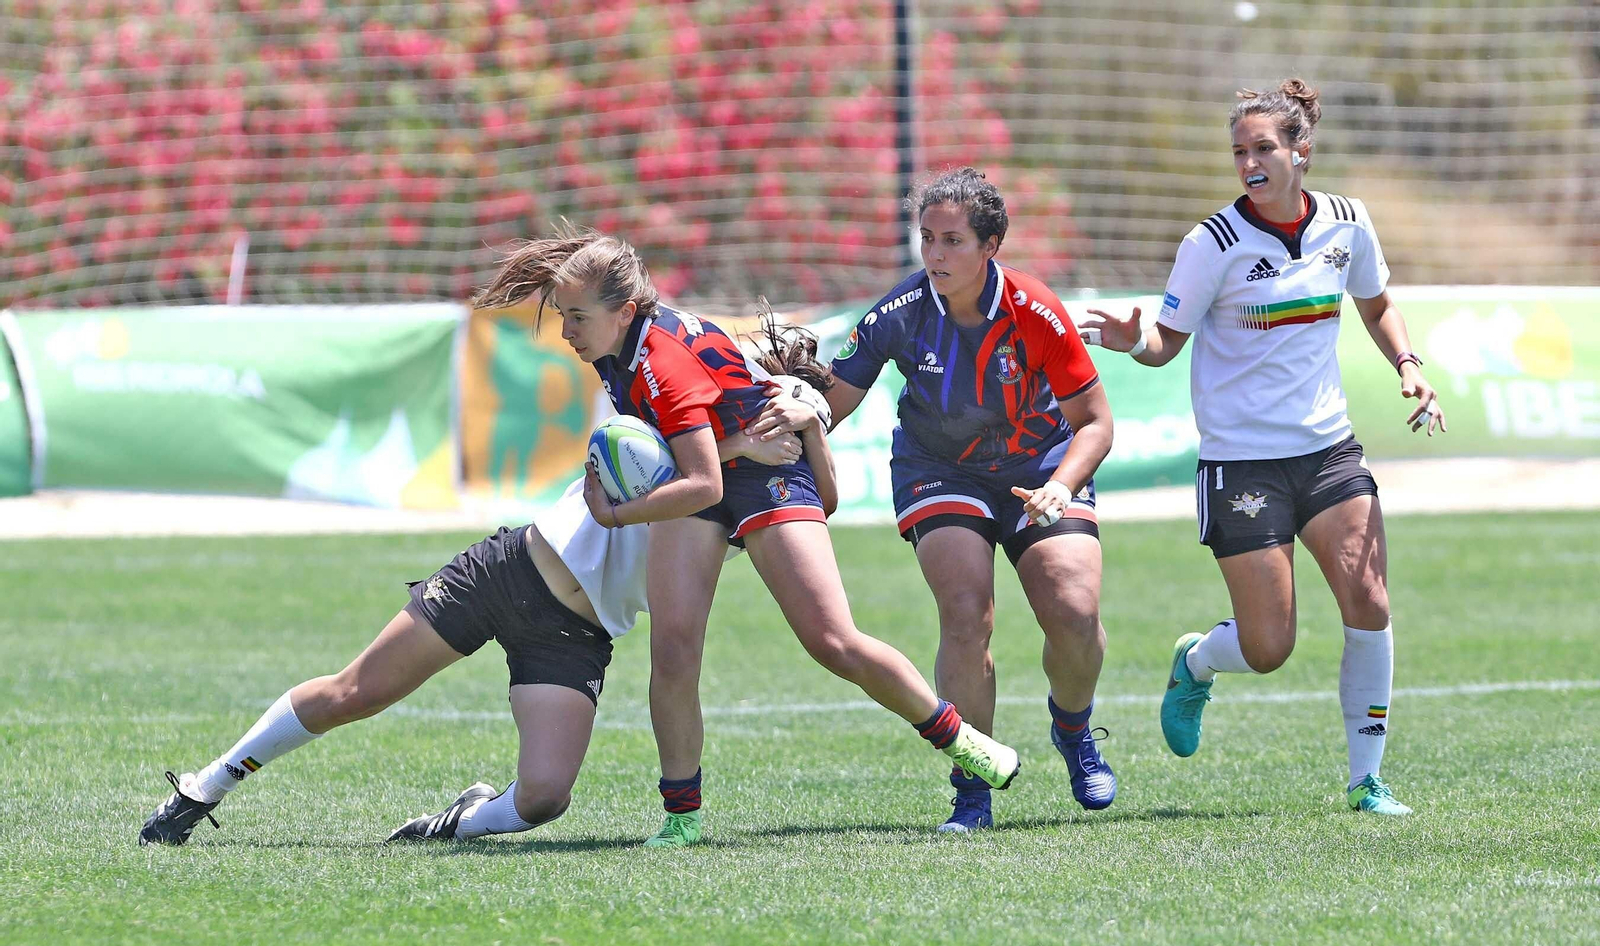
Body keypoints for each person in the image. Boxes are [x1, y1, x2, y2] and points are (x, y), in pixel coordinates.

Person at [472, 226, 1022, 846]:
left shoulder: (658, 361)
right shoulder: (613, 346)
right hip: (724, 465)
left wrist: (616, 515)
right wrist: (738, 441)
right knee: (674, 651)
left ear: (624, 311)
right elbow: (708, 454)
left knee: (832, 641)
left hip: (766, 476)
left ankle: (961, 739)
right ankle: (681, 821)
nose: (566, 331)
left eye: (574, 317)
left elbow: (706, 483)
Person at [138, 410, 811, 848]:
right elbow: (638, 453)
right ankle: (206, 786)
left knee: (544, 800)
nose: (779, 430)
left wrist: (802, 435)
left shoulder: (768, 509)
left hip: (573, 635)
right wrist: (739, 439)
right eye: (773, 415)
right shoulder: (687, 426)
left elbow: (810, 501)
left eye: (795, 427)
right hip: (508, 572)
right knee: (357, 692)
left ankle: (457, 820)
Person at [1079, 79, 1446, 816]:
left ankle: (1366, 779)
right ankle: (1197, 660)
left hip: (1329, 452)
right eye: (1239, 150)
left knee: (1369, 600)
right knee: (1270, 646)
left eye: (1263, 148)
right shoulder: (1210, 243)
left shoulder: (1348, 223)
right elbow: (1167, 342)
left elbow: (1376, 303)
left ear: (1300, 151)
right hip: (1241, 462)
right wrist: (1133, 341)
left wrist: (1408, 365)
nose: (1249, 161)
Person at [753, 167, 1116, 832]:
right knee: (965, 610)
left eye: (952, 240)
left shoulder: (1036, 311)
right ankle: (972, 786)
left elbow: (1095, 422)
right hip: (937, 469)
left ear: (991, 245)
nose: (936, 255)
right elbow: (831, 406)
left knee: (1073, 610)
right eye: (927, 239)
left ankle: (1073, 729)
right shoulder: (899, 313)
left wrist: (1061, 486)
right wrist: (786, 407)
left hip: (1040, 466)